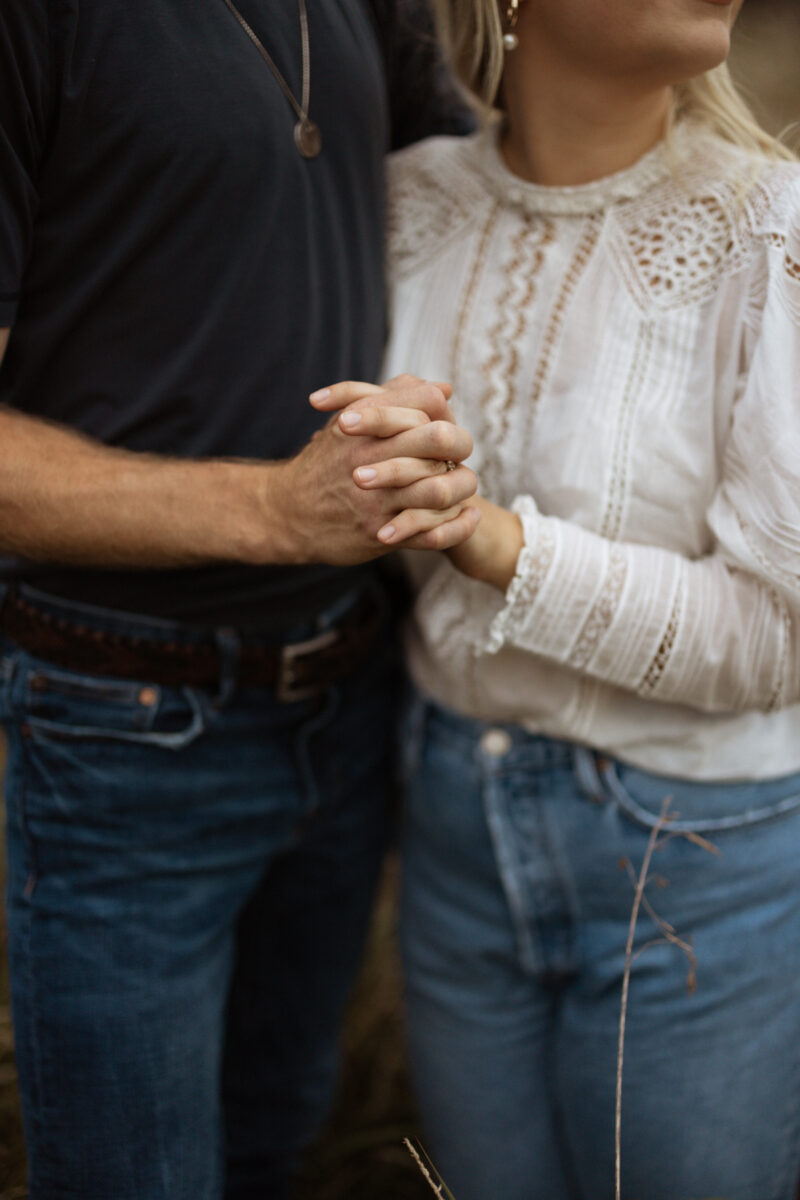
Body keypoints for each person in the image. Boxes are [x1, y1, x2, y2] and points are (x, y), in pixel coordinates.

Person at [316, 0, 800, 1195]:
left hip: (694, 859)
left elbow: (780, 638)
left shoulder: (769, 227)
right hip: (447, 815)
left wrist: (491, 542)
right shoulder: (402, 201)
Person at [0, 3, 480, 1198]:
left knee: (275, 1146)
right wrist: (274, 510)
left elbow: (509, 163)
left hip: (349, 687)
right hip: (122, 723)